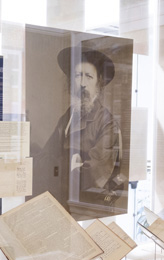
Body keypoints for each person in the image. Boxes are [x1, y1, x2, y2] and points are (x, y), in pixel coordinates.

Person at [54, 47, 125, 208]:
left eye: (89, 77)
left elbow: (95, 170)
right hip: (63, 200)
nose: (83, 84)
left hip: (89, 204)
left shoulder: (107, 122)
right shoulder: (67, 117)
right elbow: (49, 156)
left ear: (98, 84)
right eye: (78, 76)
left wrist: (61, 169)